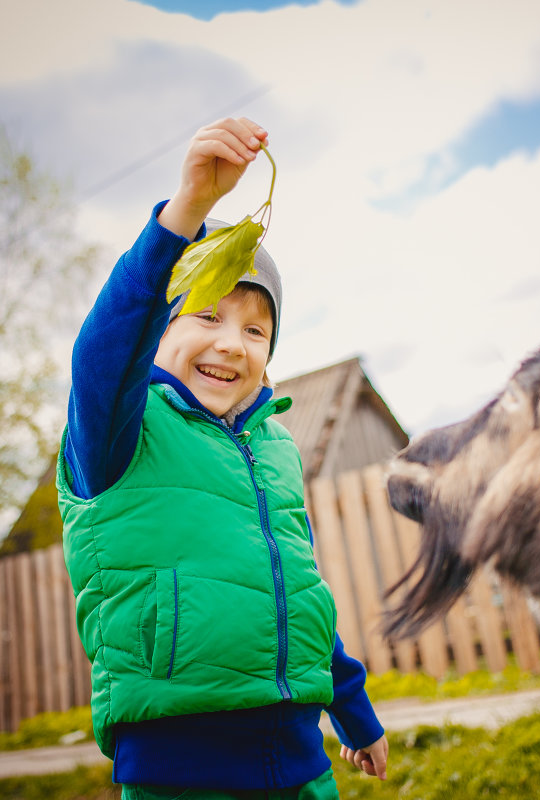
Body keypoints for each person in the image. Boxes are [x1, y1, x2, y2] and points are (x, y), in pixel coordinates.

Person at [56, 117, 389, 800]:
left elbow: (295, 595)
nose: (232, 343)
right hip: (179, 767)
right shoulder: (119, 433)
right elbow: (101, 357)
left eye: (255, 328)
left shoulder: (273, 449)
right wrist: (186, 214)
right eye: (207, 315)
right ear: (160, 328)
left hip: (300, 762)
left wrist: (351, 711)